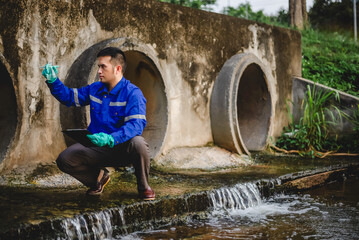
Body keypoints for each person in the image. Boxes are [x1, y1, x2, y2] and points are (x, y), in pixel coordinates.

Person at [42, 47, 155, 200]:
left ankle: (144, 187)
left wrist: (111, 138)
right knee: (65, 159)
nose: (99, 71)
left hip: (122, 149)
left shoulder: (133, 93)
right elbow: (70, 97)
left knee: (139, 143)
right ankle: (98, 179)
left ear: (117, 69)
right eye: (98, 67)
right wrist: (53, 81)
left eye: (103, 67)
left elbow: (136, 125)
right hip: (98, 149)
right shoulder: (95, 88)